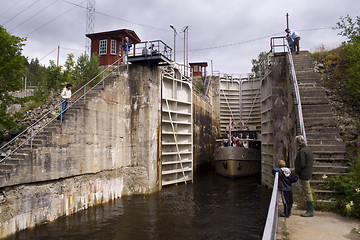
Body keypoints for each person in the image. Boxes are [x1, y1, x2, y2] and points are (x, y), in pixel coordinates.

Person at [294, 135, 314, 217]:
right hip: (308, 172)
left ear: (298, 143)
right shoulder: (308, 149)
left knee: (307, 191)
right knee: (307, 191)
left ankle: (310, 210)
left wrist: (297, 172)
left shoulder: (302, 152)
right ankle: (309, 209)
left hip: (304, 174)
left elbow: (301, 164)